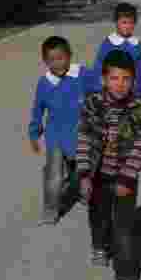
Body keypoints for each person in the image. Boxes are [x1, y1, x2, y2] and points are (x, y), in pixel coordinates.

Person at [77, 50, 141, 280]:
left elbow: (140, 145)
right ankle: (99, 245)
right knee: (98, 215)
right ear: (103, 79)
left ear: (133, 81)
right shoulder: (93, 105)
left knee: (123, 229)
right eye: (114, 78)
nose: (120, 84)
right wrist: (84, 174)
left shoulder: (138, 108)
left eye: (126, 79)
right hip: (98, 175)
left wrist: (126, 179)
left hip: (125, 179)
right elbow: (84, 140)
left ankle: (124, 277)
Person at [27, 36, 101, 225]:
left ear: (69, 56)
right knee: (54, 175)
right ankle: (51, 211)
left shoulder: (82, 74)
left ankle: (85, 193)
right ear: (45, 62)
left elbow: (101, 91)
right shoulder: (45, 83)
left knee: (85, 170)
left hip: (83, 135)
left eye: (61, 58)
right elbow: (37, 110)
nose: (57, 63)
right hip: (56, 138)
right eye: (51, 60)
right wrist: (34, 133)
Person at [93, 2, 141, 100]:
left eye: (131, 23)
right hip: (111, 94)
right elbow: (98, 69)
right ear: (116, 22)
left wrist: (140, 93)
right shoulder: (108, 44)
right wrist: (98, 91)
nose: (127, 26)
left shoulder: (137, 45)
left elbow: (140, 72)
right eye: (124, 22)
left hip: (131, 94)